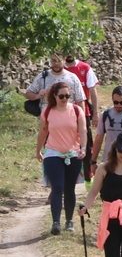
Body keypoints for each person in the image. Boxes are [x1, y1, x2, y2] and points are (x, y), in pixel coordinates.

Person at [36, 82, 87, 235]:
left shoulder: (77, 111)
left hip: (73, 154)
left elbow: (83, 131)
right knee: (57, 187)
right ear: (54, 96)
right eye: (62, 96)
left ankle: (69, 220)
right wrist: (38, 151)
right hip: (53, 154)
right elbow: (43, 132)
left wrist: (83, 148)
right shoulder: (47, 112)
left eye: (67, 96)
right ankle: (56, 222)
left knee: (69, 188)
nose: (65, 99)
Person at [64, 51, 100, 186]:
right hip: (64, 114)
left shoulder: (85, 68)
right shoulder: (60, 69)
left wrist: (95, 112)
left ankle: (88, 176)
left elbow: (93, 91)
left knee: (86, 144)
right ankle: (68, 178)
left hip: (83, 112)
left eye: (71, 49)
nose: (68, 53)